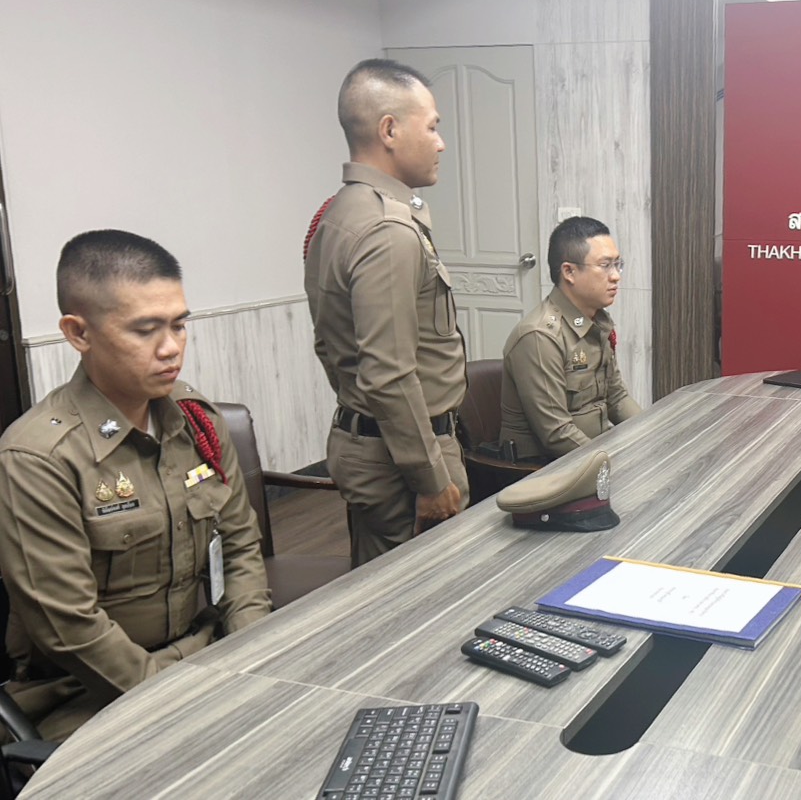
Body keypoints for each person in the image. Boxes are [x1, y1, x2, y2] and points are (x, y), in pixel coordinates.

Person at [0, 231, 271, 740]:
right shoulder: (39, 458)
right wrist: (179, 700)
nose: (171, 348)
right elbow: (70, 629)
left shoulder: (196, 422)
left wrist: (255, 654)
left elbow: (240, 549)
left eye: (179, 325)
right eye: (145, 330)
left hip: (206, 650)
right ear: (79, 333)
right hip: (88, 692)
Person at [305, 59, 468, 566]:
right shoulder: (387, 231)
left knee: (380, 587)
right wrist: (430, 478)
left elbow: (331, 345)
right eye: (433, 127)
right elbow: (389, 374)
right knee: (422, 597)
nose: (441, 143)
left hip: (378, 445)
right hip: (404, 459)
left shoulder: (341, 212)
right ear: (390, 130)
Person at [498, 217, 640, 462]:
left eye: (618, 264)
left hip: (592, 454)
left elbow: (616, 397)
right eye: (605, 265)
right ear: (569, 272)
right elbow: (556, 434)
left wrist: (652, 434)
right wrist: (611, 464)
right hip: (547, 468)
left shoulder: (597, 322)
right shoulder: (540, 336)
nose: (616, 276)